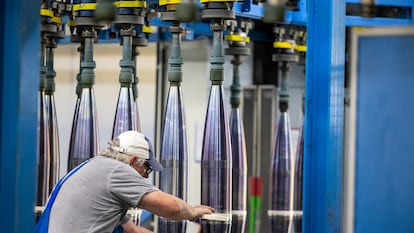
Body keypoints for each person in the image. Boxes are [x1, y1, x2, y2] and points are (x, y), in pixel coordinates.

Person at [36, 130, 214, 233]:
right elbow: (172, 207)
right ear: (132, 161)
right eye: (146, 168)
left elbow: (133, 231)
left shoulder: (95, 167)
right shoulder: (116, 171)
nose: (146, 176)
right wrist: (193, 212)